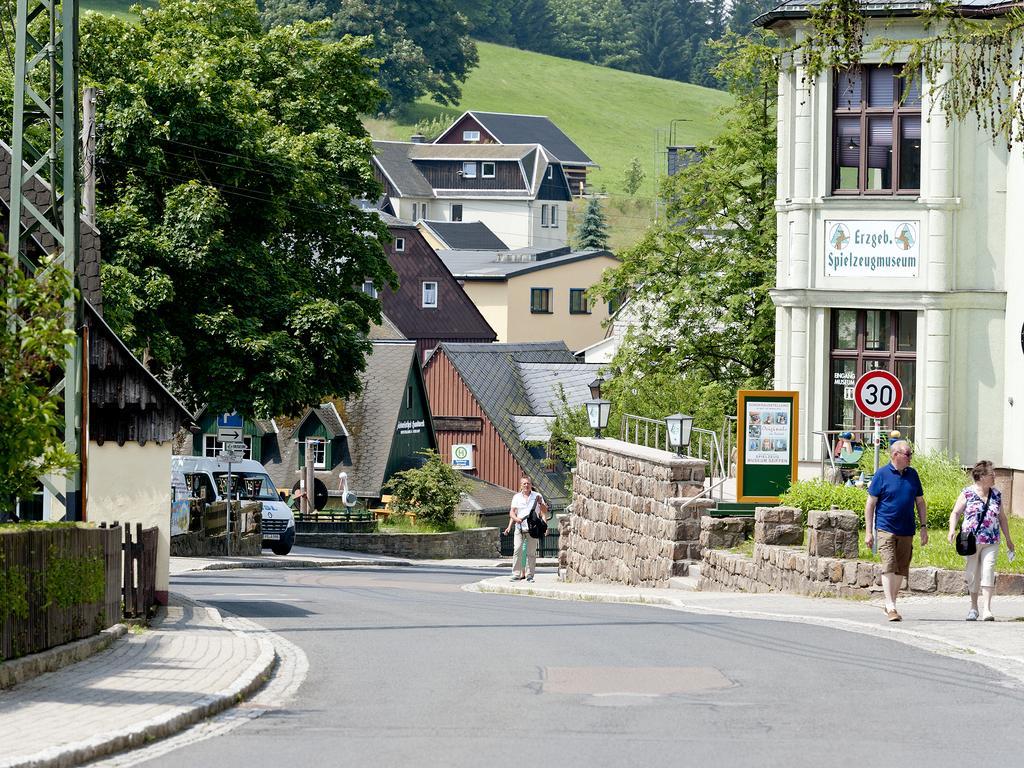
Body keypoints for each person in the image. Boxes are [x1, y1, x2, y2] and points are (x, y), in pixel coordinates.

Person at [864, 440, 927, 622]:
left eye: (910, 454)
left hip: (907, 529)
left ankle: (891, 602)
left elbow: (920, 502)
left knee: (901, 568)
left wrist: (924, 526)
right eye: (907, 454)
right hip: (886, 528)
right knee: (889, 565)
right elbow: (870, 504)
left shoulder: (913, 475)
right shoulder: (881, 475)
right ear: (895, 455)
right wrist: (869, 532)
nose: (910, 458)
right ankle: (890, 605)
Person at [947, 460, 1016, 621]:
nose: (995, 476)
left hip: (992, 540)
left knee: (988, 570)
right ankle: (973, 607)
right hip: (970, 541)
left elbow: (1002, 518)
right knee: (972, 573)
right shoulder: (967, 493)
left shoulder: (997, 495)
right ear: (982, 476)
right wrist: (951, 530)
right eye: (992, 474)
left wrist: (1008, 539)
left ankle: (987, 609)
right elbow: (955, 513)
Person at [504, 476, 548, 582]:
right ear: (521, 485)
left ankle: (529, 575)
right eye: (524, 484)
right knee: (517, 549)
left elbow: (544, 511)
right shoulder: (516, 497)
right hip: (519, 528)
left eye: (528, 483)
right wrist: (516, 519)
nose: (526, 485)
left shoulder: (537, 496)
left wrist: (540, 503)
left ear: (531, 485)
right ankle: (516, 574)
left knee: (531, 553)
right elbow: (512, 512)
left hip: (533, 529)